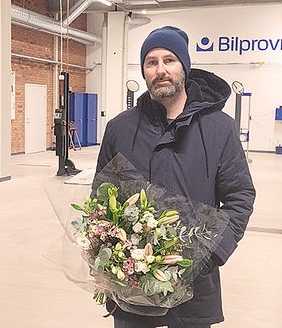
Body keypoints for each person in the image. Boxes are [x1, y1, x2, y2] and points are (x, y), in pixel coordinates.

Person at [95, 26, 256, 327]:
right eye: (151, 62)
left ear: (184, 67)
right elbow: (101, 197)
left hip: (193, 279)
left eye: (169, 60)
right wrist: (102, 258)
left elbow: (240, 196)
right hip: (132, 281)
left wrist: (211, 253)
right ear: (144, 70)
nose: (161, 70)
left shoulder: (219, 128)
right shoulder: (120, 128)